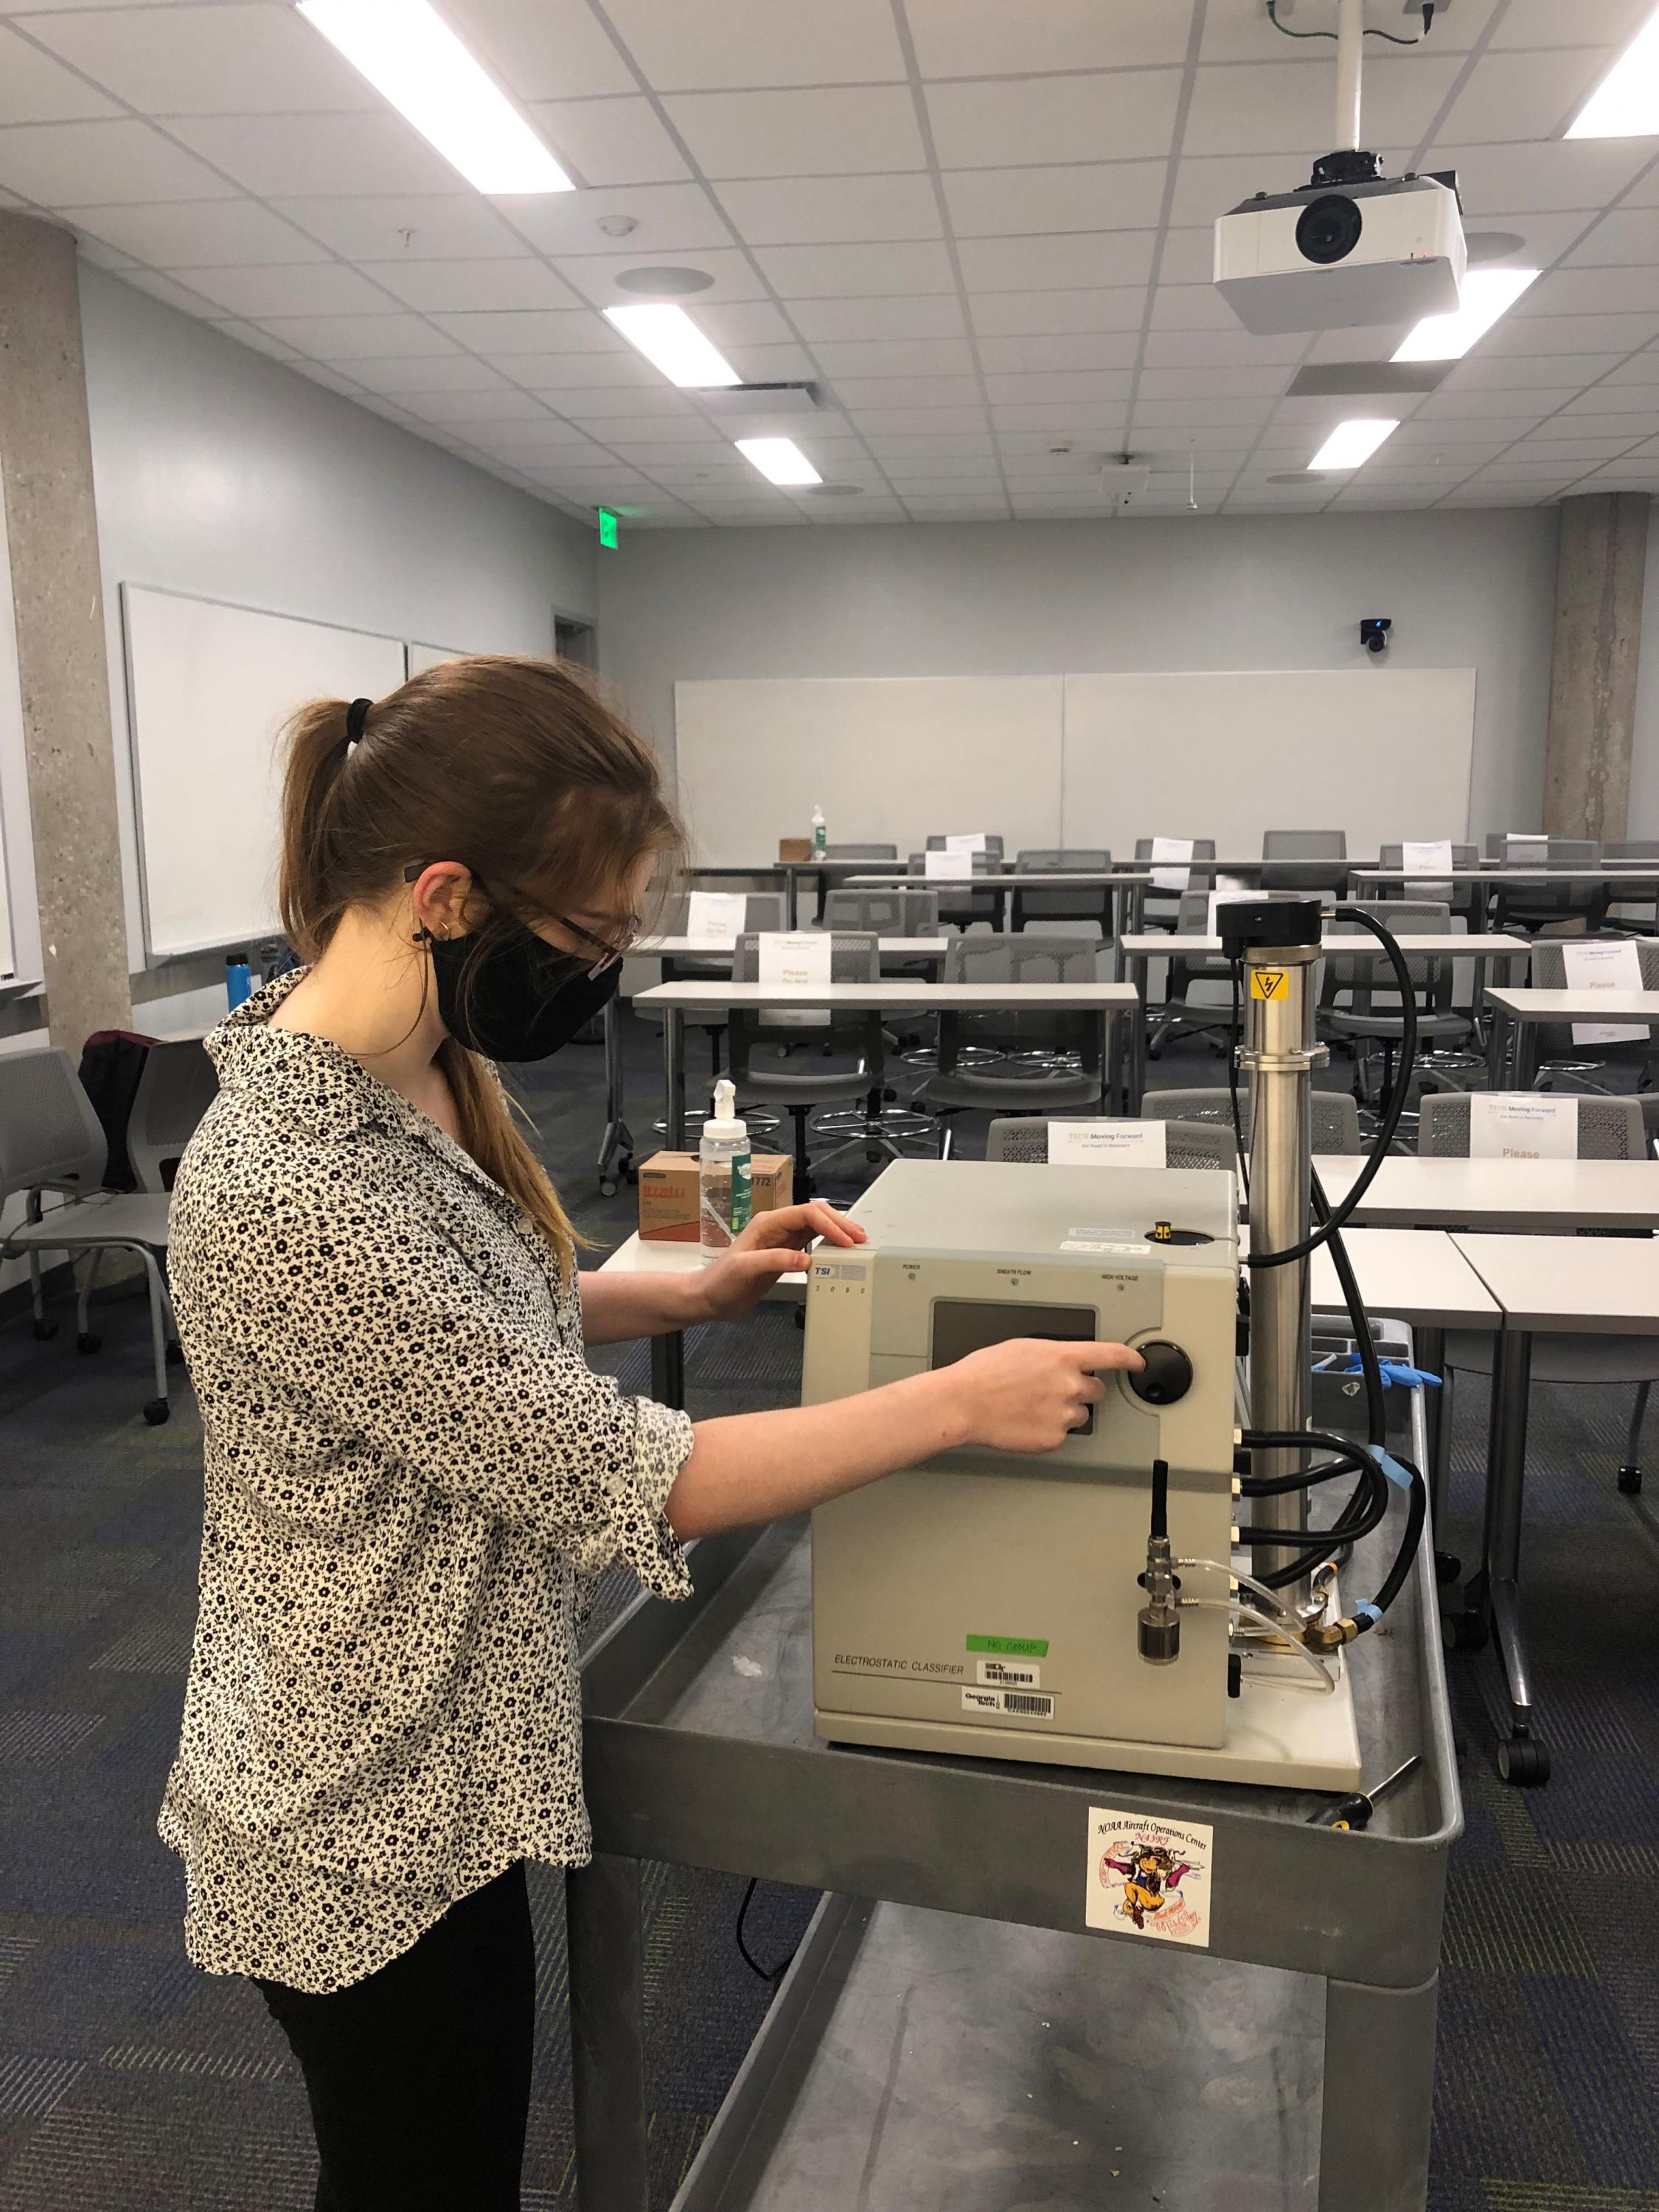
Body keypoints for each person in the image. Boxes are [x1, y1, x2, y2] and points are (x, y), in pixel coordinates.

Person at [157, 656, 1142, 2210]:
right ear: (445, 896)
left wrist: (691, 1287)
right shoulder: (288, 1184)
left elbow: (466, 1327)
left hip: (444, 1749)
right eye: (587, 942)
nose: (597, 979)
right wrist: (959, 1400)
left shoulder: (414, 1061)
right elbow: (630, 1478)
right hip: (357, 1807)